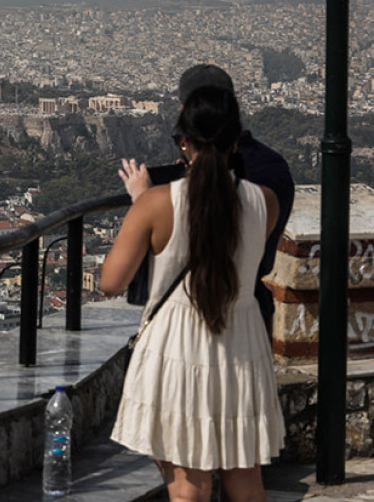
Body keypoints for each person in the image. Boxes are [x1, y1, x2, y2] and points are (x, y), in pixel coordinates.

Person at [102, 86, 284, 502]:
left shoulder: (155, 204)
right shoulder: (266, 202)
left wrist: (141, 202)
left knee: (188, 486)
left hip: (178, 346)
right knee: (245, 479)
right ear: (235, 140)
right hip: (242, 341)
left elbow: (111, 281)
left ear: (183, 142)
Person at [123, 64, 295, 335]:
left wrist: (146, 202)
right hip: (250, 314)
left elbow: (112, 280)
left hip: (185, 318)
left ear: (186, 115)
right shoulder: (273, 170)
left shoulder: (170, 195)